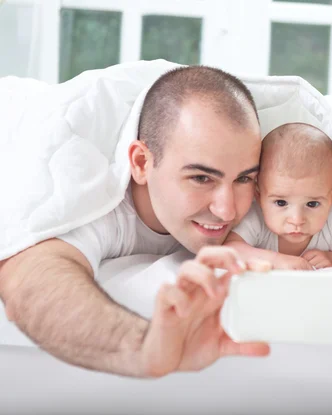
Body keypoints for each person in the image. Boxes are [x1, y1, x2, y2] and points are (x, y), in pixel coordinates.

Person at [0, 66, 274, 378]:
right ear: (141, 163)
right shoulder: (97, 201)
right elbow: (32, 283)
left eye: (243, 179)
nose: (226, 211)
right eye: (201, 178)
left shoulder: (261, 197)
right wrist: (143, 348)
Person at [225, 123, 332, 270]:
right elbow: (230, 249)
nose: (297, 220)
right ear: (259, 195)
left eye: (312, 204)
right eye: (281, 203)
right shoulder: (256, 217)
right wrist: (275, 260)